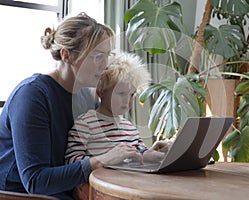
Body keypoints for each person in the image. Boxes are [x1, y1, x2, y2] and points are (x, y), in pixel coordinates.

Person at [0, 12, 170, 200]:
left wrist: (144, 154)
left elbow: (107, 147)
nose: (105, 65)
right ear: (66, 55)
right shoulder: (32, 96)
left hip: (68, 189)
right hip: (25, 195)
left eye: (107, 55)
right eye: (97, 56)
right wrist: (101, 160)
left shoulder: (85, 97)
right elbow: (35, 182)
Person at [65, 52, 170, 200]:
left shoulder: (129, 127)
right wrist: (105, 159)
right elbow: (72, 162)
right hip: (99, 191)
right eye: (121, 93)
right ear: (101, 91)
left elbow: (140, 155)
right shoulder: (85, 124)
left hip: (128, 188)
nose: (127, 101)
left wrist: (152, 152)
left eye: (132, 94)